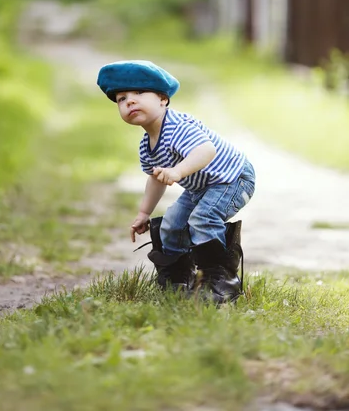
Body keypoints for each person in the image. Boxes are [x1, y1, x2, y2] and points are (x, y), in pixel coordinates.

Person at [97, 59, 256, 304]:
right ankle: (178, 280)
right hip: (202, 185)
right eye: (121, 99)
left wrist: (178, 171)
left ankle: (222, 283)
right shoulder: (146, 146)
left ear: (163, 99)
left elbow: (206, 150)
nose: (129, 100)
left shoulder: (177, 126)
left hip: (232, 179)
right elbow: (155, 179)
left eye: (139, 93)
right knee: (171, 225)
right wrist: (143, 212)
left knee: (202, 219)